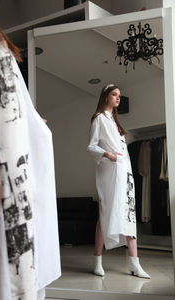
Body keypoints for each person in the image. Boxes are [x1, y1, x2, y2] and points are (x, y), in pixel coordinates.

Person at [0, 1, 61, 299]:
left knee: (21, 253)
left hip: (15, 156)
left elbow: (11, 93)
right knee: (0, 258)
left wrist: (32, 119)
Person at [87, 84, 150, 279]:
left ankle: (134, 263)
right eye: (114, 95)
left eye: (119, 96)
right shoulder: (99, 119)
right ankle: (97, 261)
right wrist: (107, 154)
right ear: (106, 97)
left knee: (128, 214)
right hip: (109, 171)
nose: (118, 98)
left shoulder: (115, 122)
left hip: (124, 171)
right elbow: (91, 146)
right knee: (105, 214)